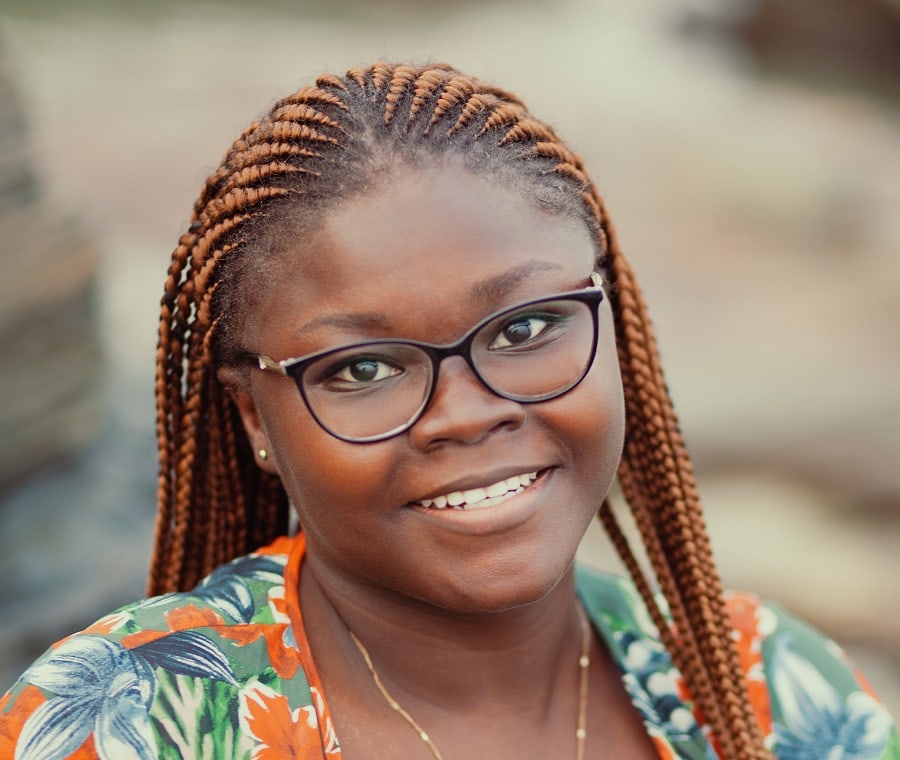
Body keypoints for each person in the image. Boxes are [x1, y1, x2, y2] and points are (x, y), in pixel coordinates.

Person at [0, 62, 895, 760]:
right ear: (254, 420)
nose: (466, 415)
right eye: (363, 368)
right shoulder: (123, 723)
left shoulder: (774, 694)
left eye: (528, 326)